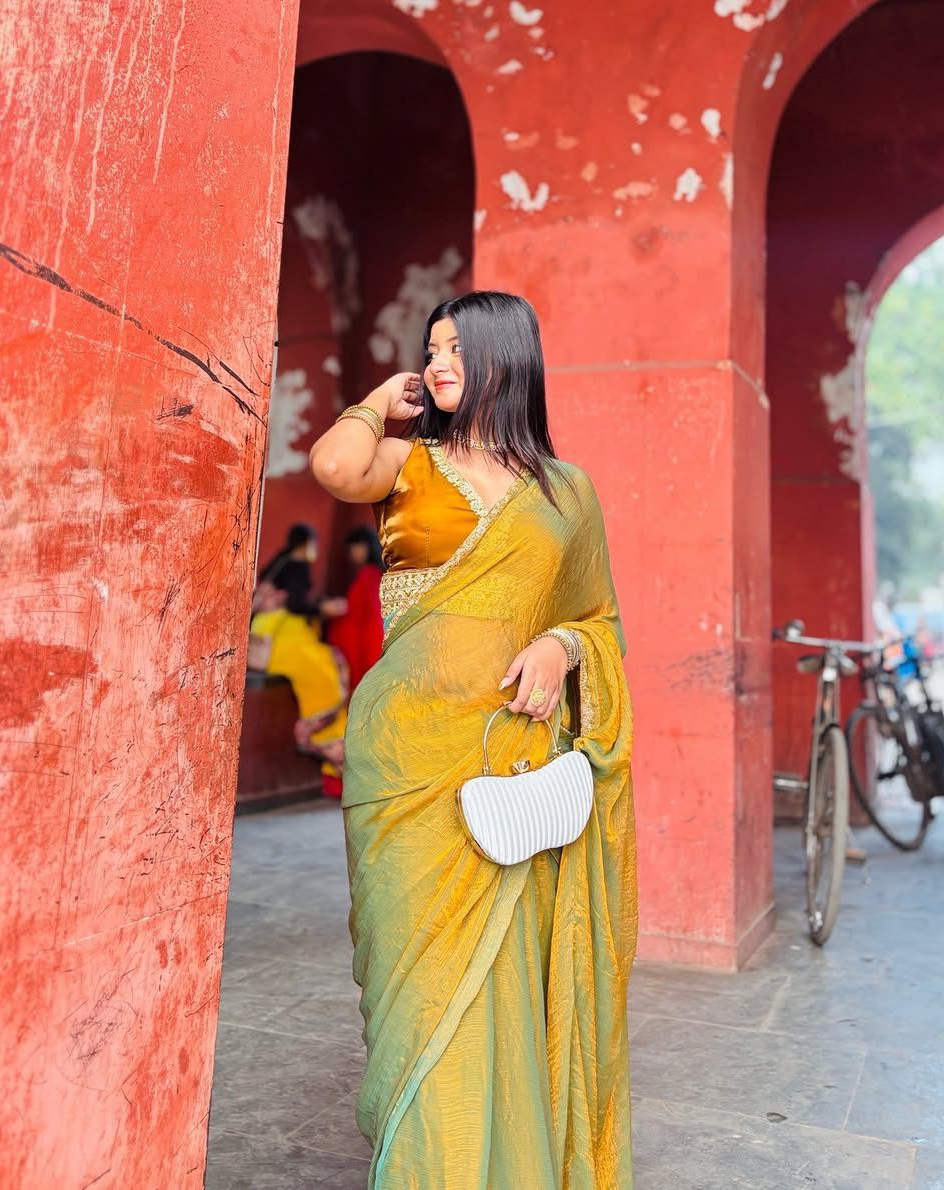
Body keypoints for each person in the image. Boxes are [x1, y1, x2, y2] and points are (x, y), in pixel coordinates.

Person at [309, 291, 636, 1187]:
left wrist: (562, 645)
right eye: (431, 345)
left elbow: (599, 618)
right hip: (404, 761)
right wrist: (382, 398)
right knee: (414, 993)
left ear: (508, 355)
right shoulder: (408, 465)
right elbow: (334, 466)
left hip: (503, 764)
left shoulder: (567, 496)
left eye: (457, 345)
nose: (440, 358)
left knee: (497, 984)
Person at [251, 524, 348, 796]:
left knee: (325, 664)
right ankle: (327, 740)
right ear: (306, 543)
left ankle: (328, 740)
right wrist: (323, 607)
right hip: (284, 631)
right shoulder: (298, 565)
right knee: (323, 669)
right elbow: (296, 605)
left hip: (267, 628)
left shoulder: (280, 561)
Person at [327, 524, 385, 692]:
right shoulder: (374, 574)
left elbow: (367, 614)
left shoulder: (368, 575)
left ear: (363, 546)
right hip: (371, 641)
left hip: (366, 644)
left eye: (352, 548)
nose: (350, 554)